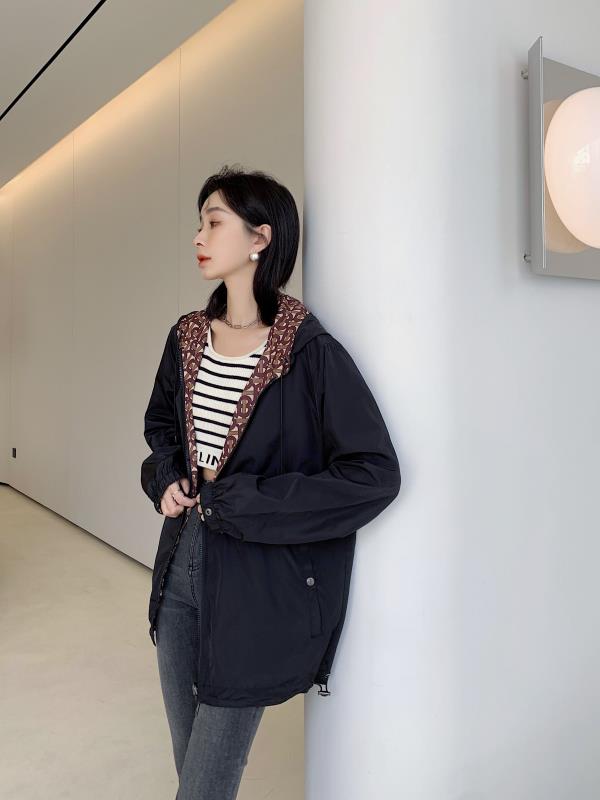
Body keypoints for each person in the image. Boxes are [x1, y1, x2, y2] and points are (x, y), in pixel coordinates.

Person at [141, 165, 401, 799]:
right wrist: (165, 477)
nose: (198, 236)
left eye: (214, 222)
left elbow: (373, 473)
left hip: (256, 583)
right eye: (199, 223)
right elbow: (161, 429)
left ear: (260, 237)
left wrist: (248, 502)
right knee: (191, 762)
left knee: (204, 783)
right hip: (178, 568)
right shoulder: (187, 337)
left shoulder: (307, 351)